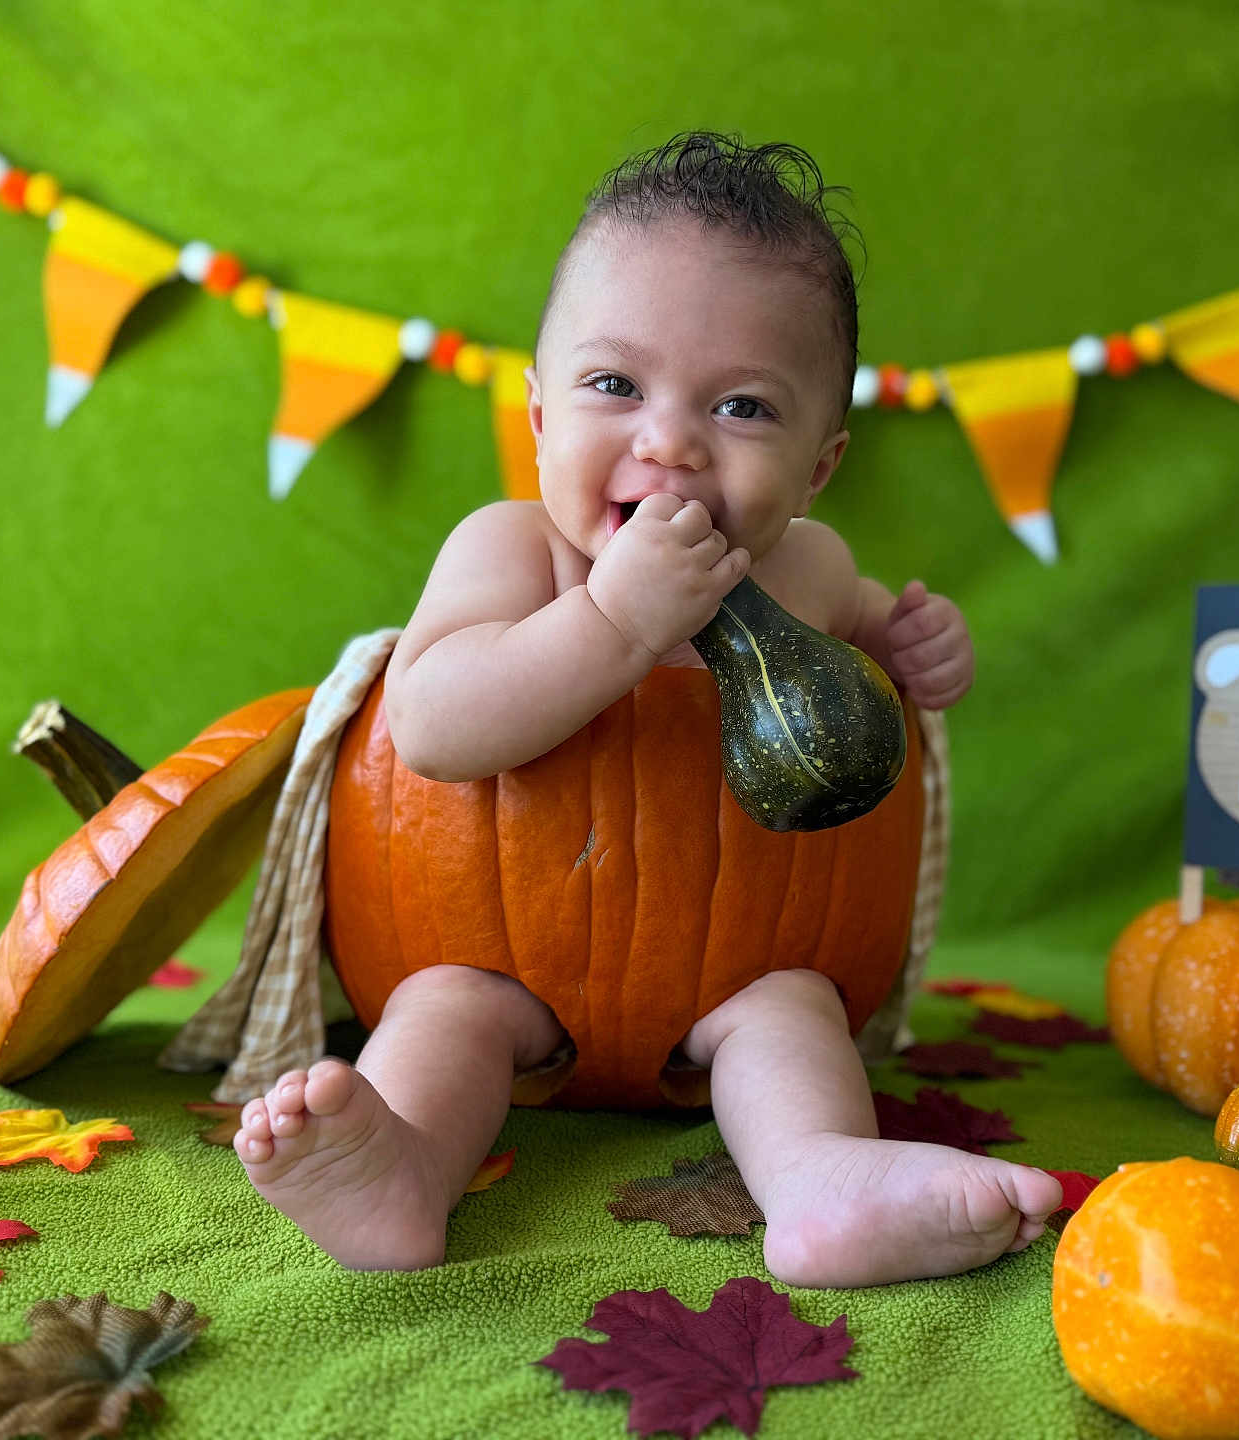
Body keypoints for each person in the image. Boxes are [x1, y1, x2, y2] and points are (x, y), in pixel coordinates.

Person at [232, 132, 1062, 1286]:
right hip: (497, 960)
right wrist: (615, 625)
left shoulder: (811, 572)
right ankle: (404, 1171)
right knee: (438, 1009)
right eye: (614, 385)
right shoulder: (509, 551)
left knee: (792, 1013)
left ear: (819, 468)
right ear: (535, 415)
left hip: (740, 967)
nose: (668, 441)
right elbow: (430, 730)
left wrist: (915, 647)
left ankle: (818, 1179)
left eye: (741, 407)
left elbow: (868, 637)